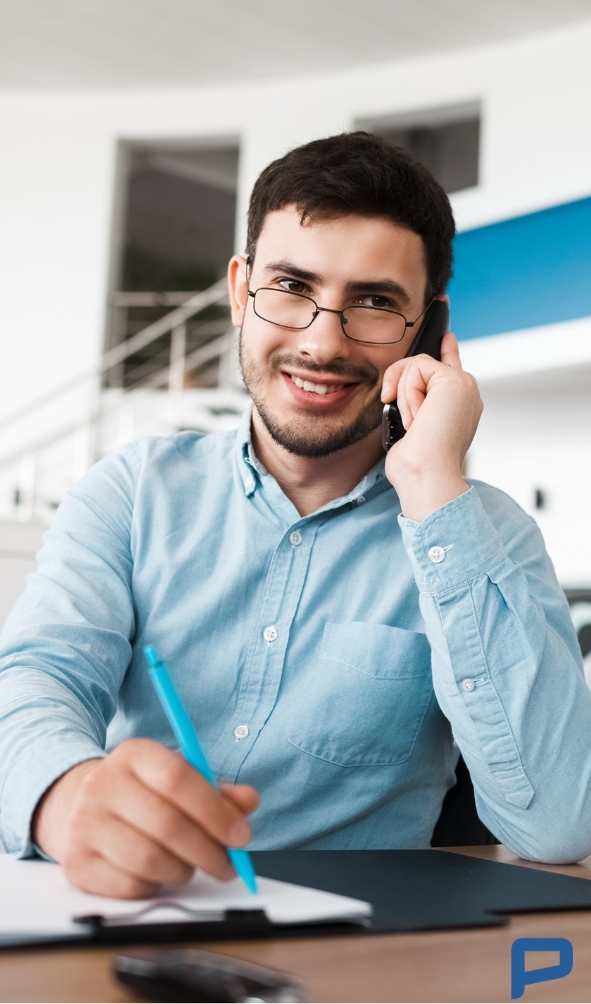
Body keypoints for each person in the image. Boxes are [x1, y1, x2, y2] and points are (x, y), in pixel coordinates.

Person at [0, 132, 590, 900]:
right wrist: (65, 795)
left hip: (361, 958)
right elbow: (35, 683)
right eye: (290, 286)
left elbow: (558, 824)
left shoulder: (479, 534)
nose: (321, 342)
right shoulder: (134, 492)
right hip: (129, 921)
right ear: (241, 288)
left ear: (428, 328)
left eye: (375, 302)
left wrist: (432, 488)